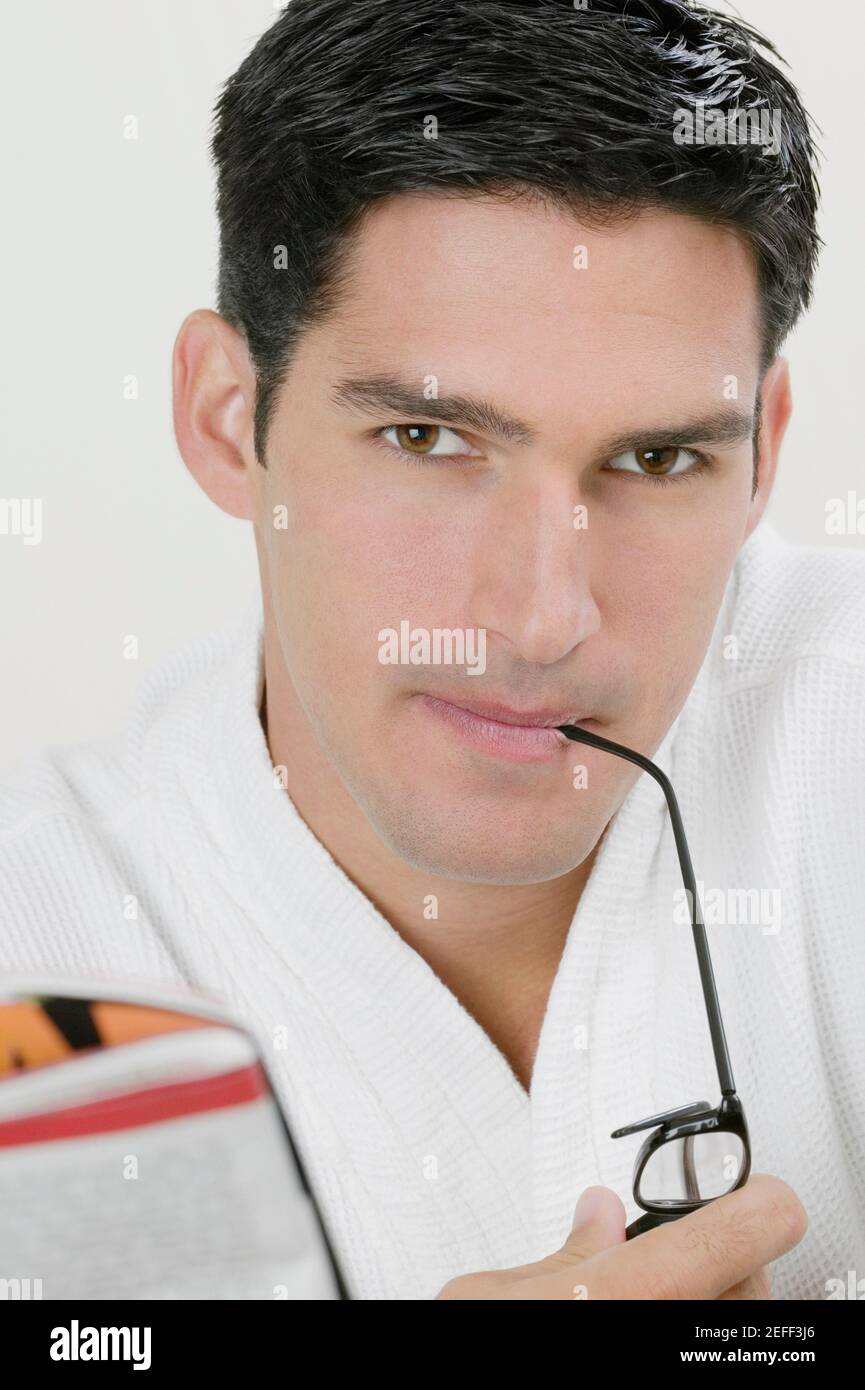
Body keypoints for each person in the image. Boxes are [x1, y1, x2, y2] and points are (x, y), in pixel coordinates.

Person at [1, 0, 862, 1300]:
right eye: (428, 441)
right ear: (229, 419)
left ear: (763, 457)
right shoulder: (36, 926)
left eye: (657, 457)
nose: (539, 617)